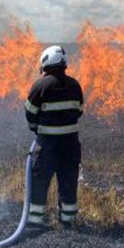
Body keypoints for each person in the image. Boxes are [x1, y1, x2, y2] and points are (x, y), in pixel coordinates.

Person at [24, 45, 84, 227]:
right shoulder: (75, 85)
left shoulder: (40, 85)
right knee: (68, 182)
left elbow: (30, 112)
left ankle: (35, 222)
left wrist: (36, 129)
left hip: (47, 146)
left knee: (40, 182)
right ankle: (68, 221)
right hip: (71, 146)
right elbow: (79, 111)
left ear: (46, 62)